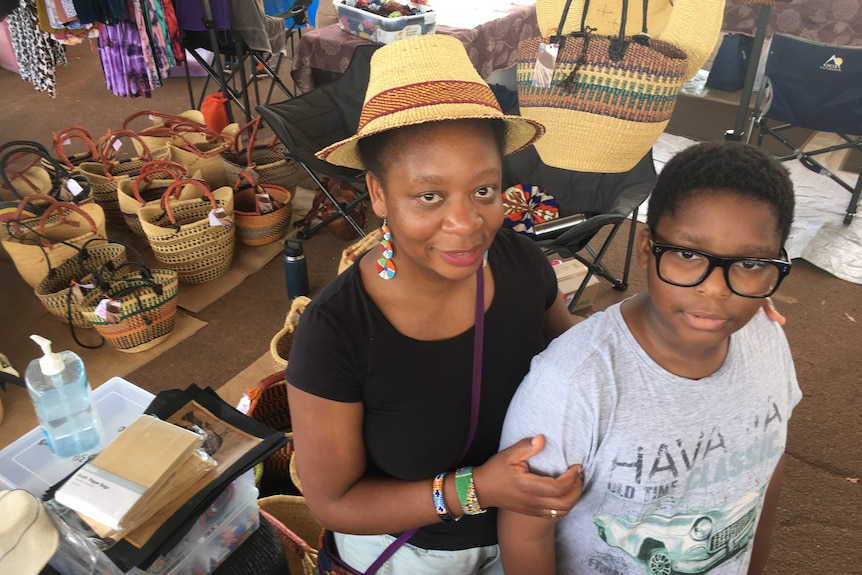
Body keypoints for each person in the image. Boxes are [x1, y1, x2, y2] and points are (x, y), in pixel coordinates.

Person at [284, 34, 584, 574]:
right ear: (378, 194)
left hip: (530, 538)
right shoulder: (334, 334)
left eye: (484, 190)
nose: (466, 224)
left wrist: (680, 318)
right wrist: (478, 490)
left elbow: (579, 353)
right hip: (409, 556)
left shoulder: (521, 264)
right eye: (429, 196)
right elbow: (333, 503)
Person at [498, 141, 802, 575]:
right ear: (645, 247)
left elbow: (768, 470)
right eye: (687, 254)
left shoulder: (768, 336)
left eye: (750, 263)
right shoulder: (571, 386)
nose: (715, 289)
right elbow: (526, 532)